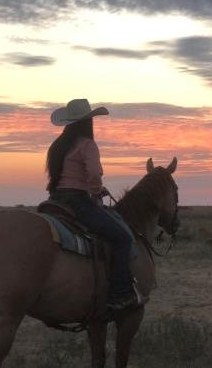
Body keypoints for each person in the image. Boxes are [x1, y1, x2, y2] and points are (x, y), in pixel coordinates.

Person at [46, 98, 145, 310]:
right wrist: (96, 191)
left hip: (55, 200)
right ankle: (119, 294)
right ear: (88, 122)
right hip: (78, 201)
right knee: (122, 238)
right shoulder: (87, 145)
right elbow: (92, 175)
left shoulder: (58, 146)